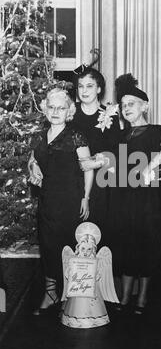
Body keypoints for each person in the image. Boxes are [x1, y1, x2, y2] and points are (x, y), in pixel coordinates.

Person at [106, 73, 161, 314]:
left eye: (131, 104)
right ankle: (125, 298)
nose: (126, 108)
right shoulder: (120, 135)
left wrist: (150, 166)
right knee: (126, 244)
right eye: (123, 105)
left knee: (146, 245)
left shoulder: (157, 130)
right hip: (123, 197)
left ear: (144, 106)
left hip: (147, 199)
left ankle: (142, 299)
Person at [29, 66, 122, 241]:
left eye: (90, 86)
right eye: (80, 86)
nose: (84, 91)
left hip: (99, 184)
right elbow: (44, 148)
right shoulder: (69, 111)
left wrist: (93, 162)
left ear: (99, 88)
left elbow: (115, 154)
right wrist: (34, 165)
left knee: (97, 237)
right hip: (70, 186)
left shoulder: (110, 116)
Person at [28, 88, 93, 315]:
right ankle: (51, 293)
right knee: (48, 246)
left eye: (61, 108)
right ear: (45, 109)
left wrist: (86, 197)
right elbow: (34, 160)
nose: (56, 111)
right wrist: (33, 168)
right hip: (47, 201)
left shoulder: (76, 136)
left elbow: (87, 169)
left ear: (69, 112)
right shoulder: (39, 136)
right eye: (52, 107)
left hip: (70, 201)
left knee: (69, 246)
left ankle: (72, 296)